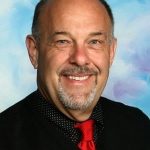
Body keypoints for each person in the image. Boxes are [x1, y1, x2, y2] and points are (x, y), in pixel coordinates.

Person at [0, 0, 149, 150]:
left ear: (111, 52)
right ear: (34, 51)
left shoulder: (139, 125)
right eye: (62, 41)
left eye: (95, 42)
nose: (80, 59)